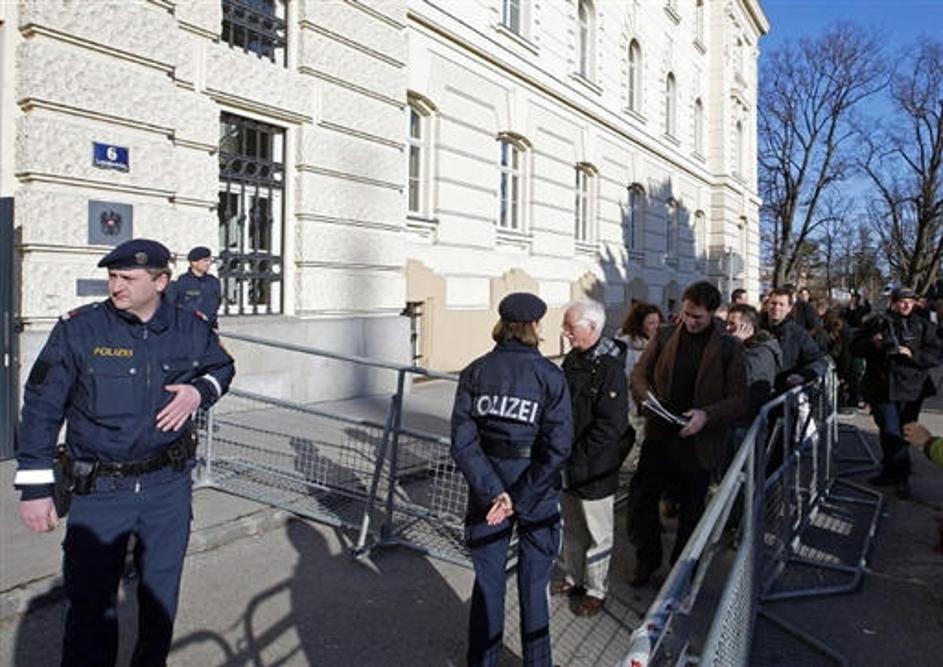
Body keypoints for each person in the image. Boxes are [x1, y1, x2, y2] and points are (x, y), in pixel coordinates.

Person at [14, 239, 235, 666]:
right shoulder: (81, 329)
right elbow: (42, 406)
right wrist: (35, 488)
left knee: (160, 597)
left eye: (128, 278)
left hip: (167, 488)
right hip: (100, 491)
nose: (116, 286)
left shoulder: (189, 327)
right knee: (90, 606)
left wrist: (199, 392)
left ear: (160, 282)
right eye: (112, 277)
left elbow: (222, 367)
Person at [450, 292, 573, 667]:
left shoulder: (475, 371)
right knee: (534, 585)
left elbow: (463, 443)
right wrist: (517, 498)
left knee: (489, 582)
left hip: (488, 489)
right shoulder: (550, 376)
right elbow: (558, 447)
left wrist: (495, 493)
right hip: (535, 491)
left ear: (503, 326)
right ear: (534, 326)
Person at [627, 281, 747, 586]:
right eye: (686, 314)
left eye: (697, 317)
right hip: (660, 434)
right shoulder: (665, 334)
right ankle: (647, 559)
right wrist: (646, 399)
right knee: (642, 499)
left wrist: (707, 415)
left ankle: (680, 575)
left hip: (698, 442)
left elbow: (738, 398)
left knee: (691, 510)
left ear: (713, 313)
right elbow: (640, 374)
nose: (690, 322)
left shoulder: (729, 347)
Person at [554, 299, 631, 617]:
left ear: (592, 327)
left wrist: (577, 457)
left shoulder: (610, 369)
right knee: (572, 528)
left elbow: (611, 426)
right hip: (568, 464)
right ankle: (574, 578)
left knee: (599, 534)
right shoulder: (572, 361)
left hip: (595, 469)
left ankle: (596, 590)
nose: (565, 332)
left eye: (570, 326)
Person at [852, 287, 942, 498]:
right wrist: (873, 344)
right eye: (902, 301)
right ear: (893, 303)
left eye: (910, 301)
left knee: (903, 431)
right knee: (889, 429)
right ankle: (893, 471)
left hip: (912, 389)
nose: (906, 305)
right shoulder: (877, 322)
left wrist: (912, 354)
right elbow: (855, 347)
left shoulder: (923, 324)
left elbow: (936, 353)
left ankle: (900, 475)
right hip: (882, 387)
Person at [615, 302, 664, 466]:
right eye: (651, 323)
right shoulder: (626, 348)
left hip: (653, 405)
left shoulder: (661, 345)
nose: (656, 327)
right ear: (639, 324)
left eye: (658, 323)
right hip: (631, 404)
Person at [760, 287, 829, 392]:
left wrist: (803, 375)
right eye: (773, 303)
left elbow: (818, 361)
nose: (776, 307)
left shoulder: (799, 334)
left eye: (781, 304)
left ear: (789, 308)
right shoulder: (755, 329)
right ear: (767, 305)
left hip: (784, 392)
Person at [727, 303, 782, 417]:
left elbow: (744, 379)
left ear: (747, 327)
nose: (727, 328)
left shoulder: (761, 352)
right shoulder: (744, 346)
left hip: (748, 417)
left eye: (732, 324)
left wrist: (735, 344)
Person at [174, 245, 221, 327]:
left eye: (210, 260)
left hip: (209, 327)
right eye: (205, 261)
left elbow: (217, 302)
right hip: (188, 328)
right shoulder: (182, 282)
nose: (209, 263)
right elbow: (177, 305)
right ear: (194, 263)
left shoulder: (213, 282)